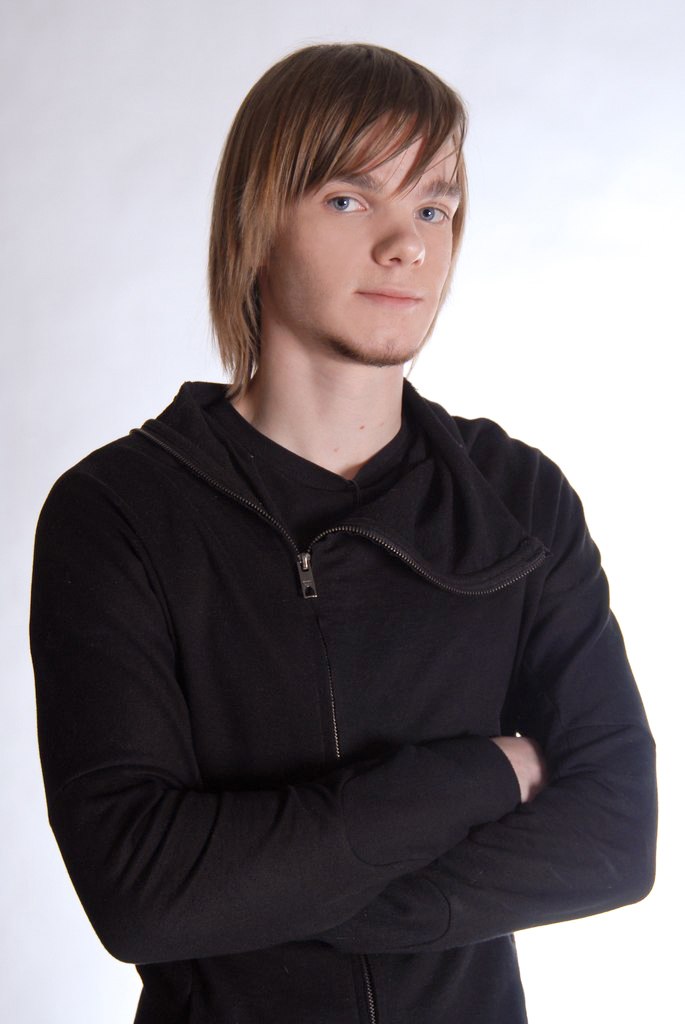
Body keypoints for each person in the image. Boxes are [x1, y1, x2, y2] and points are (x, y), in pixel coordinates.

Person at [29, 42, 657, 1024]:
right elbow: (141, 894)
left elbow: (615, 840)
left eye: (433, 208)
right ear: (257, 223)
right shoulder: (118, 513)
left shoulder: (515, 498)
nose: (406, 245)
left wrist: (257, 897)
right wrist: (485, 771)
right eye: (348, 199)